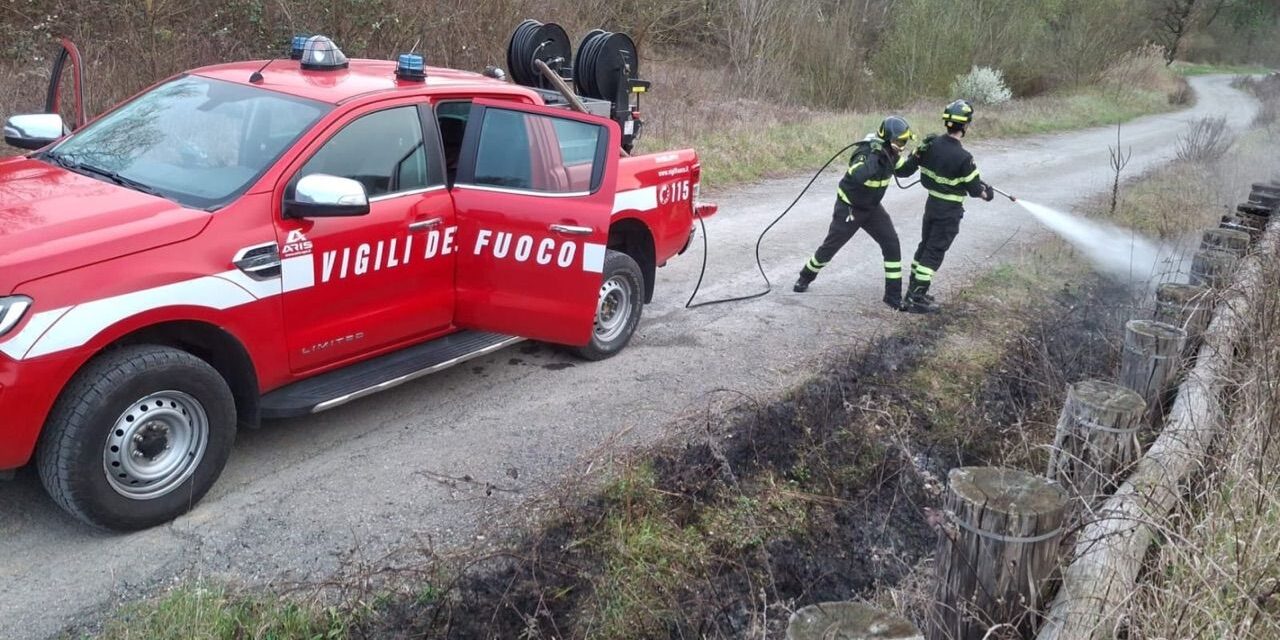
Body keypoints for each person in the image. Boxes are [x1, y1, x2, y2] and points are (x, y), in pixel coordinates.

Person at [794, 116, 918, 310]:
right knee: (830, 247)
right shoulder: (865, 152)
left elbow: (904, 171)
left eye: (904, 142)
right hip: (850, 208)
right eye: (899, 141)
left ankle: (892, 297)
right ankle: (805, 276)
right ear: (887, 139)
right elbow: (859, 175)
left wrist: (919, 157)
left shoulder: (891, 154)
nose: (901, 146)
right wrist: (876, 157)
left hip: (872, 208)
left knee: (891, 243)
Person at [901, 99, 996, 314]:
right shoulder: (964, 157)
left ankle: (913, 291)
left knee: (925, 246)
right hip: (949, 211)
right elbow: (974, 189)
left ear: (947, 123)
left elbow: (908, 167)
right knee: (934, 253)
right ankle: (917, 298)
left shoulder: (930, 144)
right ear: (965, 126)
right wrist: (986, 193)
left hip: (932, 205)